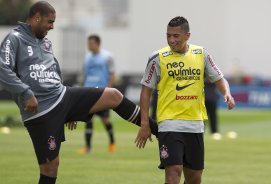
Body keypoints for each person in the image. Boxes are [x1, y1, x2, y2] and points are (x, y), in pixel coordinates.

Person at [0, 1, 158, 184]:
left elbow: (53, 69)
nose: (52, 26)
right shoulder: (14, 38)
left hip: (62, 96)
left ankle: (162, 133)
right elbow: (3, 69)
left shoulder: (45, 42)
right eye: (49, 22)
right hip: (41, 111)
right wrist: (26, 93)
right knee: (50, 167)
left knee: (113, 95)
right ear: (36, 17)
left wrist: (70, 110)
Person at [135, 16, 235, 184]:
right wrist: (145, 123)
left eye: (176, 36)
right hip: (169, 124)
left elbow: (219, 78)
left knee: (195, 178)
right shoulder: (157, 58)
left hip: (195, 125)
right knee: (173, 173)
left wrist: (227, 93)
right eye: (168, 35)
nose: (171, 40)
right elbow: (146, 91)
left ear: (187, 36)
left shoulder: (201, 54)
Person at [78, 34, 116, 154]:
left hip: (102, 93)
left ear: (97, 43)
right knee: (88, 119)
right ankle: (87, 147)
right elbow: (84, 74)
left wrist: (109, 90)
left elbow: (112, 74)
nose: (89, 46)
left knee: (105, 120)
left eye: (91, 43)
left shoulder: (107, 56)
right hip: (89, 92)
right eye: (88, 43)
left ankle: (112, 142)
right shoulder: (87, 57)